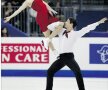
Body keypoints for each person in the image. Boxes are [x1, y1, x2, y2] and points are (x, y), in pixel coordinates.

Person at [45, 17, 107, 90]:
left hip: (69, 57)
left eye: (67, 22)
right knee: (50, 72)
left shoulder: (75, 34)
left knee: (78, 72)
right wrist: (59, 23)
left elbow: (87, 28)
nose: (65, 22)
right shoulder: (61, 31)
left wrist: (98, 22)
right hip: (61, 58)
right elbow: (49, 27)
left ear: (71, 24)